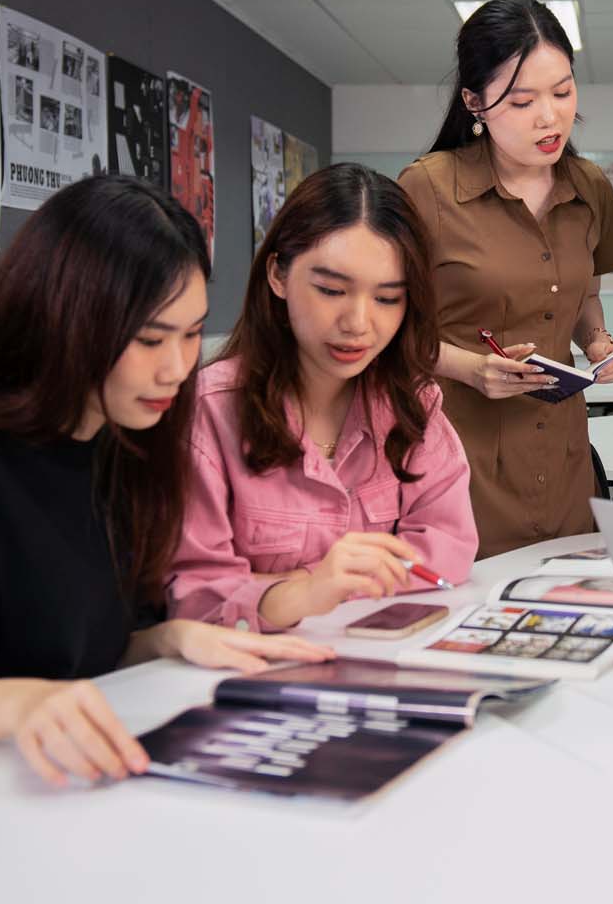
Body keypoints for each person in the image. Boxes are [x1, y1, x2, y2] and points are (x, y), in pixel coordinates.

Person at [0, 176, 331, 788]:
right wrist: (22, 703)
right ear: (66, 318)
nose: (176, 367)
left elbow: (79, 651)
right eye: (149, 339)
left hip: (56, 785)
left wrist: (169, 638)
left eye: (192, 334)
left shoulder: (126, 438)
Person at [168, 163, 478, 631]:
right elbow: (194, 596)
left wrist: (300, 585)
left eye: (388, 298)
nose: (358, 322)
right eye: (332, 290)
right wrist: (309, 591)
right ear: (278, 275)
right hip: (250, 677)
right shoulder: (210, 410)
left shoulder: (414, 407)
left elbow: (447, 553)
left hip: (381, 662)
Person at [399, 0, 613, 557]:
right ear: (475, 102)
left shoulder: (590, 186)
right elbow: (387, 328)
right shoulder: (427, 188)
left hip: (563, 450)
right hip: (460, 451)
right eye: (522, 101)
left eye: (563, 91)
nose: (550, 117)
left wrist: (596, 340)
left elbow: (583, 292)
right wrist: (471, 369)